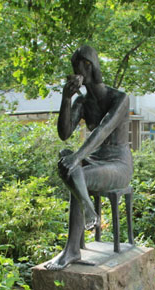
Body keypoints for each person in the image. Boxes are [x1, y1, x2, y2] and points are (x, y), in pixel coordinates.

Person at [45, 46, 133, 270]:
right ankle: (89, 208)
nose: (75, 74)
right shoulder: (82, 102)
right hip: (96, 159)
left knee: (77, 173)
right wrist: (66, 98)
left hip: (118, 164)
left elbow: (103, 130)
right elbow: (64, 134)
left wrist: (77, 158)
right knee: (65, 157)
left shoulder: (119, 98)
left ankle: (72, 249)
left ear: (89, 67)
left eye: (78, 68)